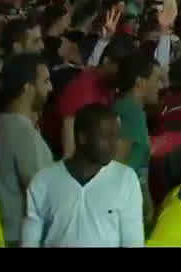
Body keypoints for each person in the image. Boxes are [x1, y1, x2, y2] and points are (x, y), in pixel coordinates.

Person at [21, 103, 144, 247]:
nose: (114, 145)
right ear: (83, 138)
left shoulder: (126, 179)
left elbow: (133, 243)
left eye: (116, 137)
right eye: (106, 137)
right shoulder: (44, 180)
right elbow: (29, 241)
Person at [0, 53, 53, 246]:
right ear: (27, 88)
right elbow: (40, 192)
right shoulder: (19, 131)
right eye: (45, 81)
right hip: (20, 236)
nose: (50, 88)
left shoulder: (0, 124)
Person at [112, 53, 161, 219]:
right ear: (140, 82)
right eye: (156, 79)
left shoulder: (130, 109)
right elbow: (117, 166)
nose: (160, 86)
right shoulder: (131, 113)